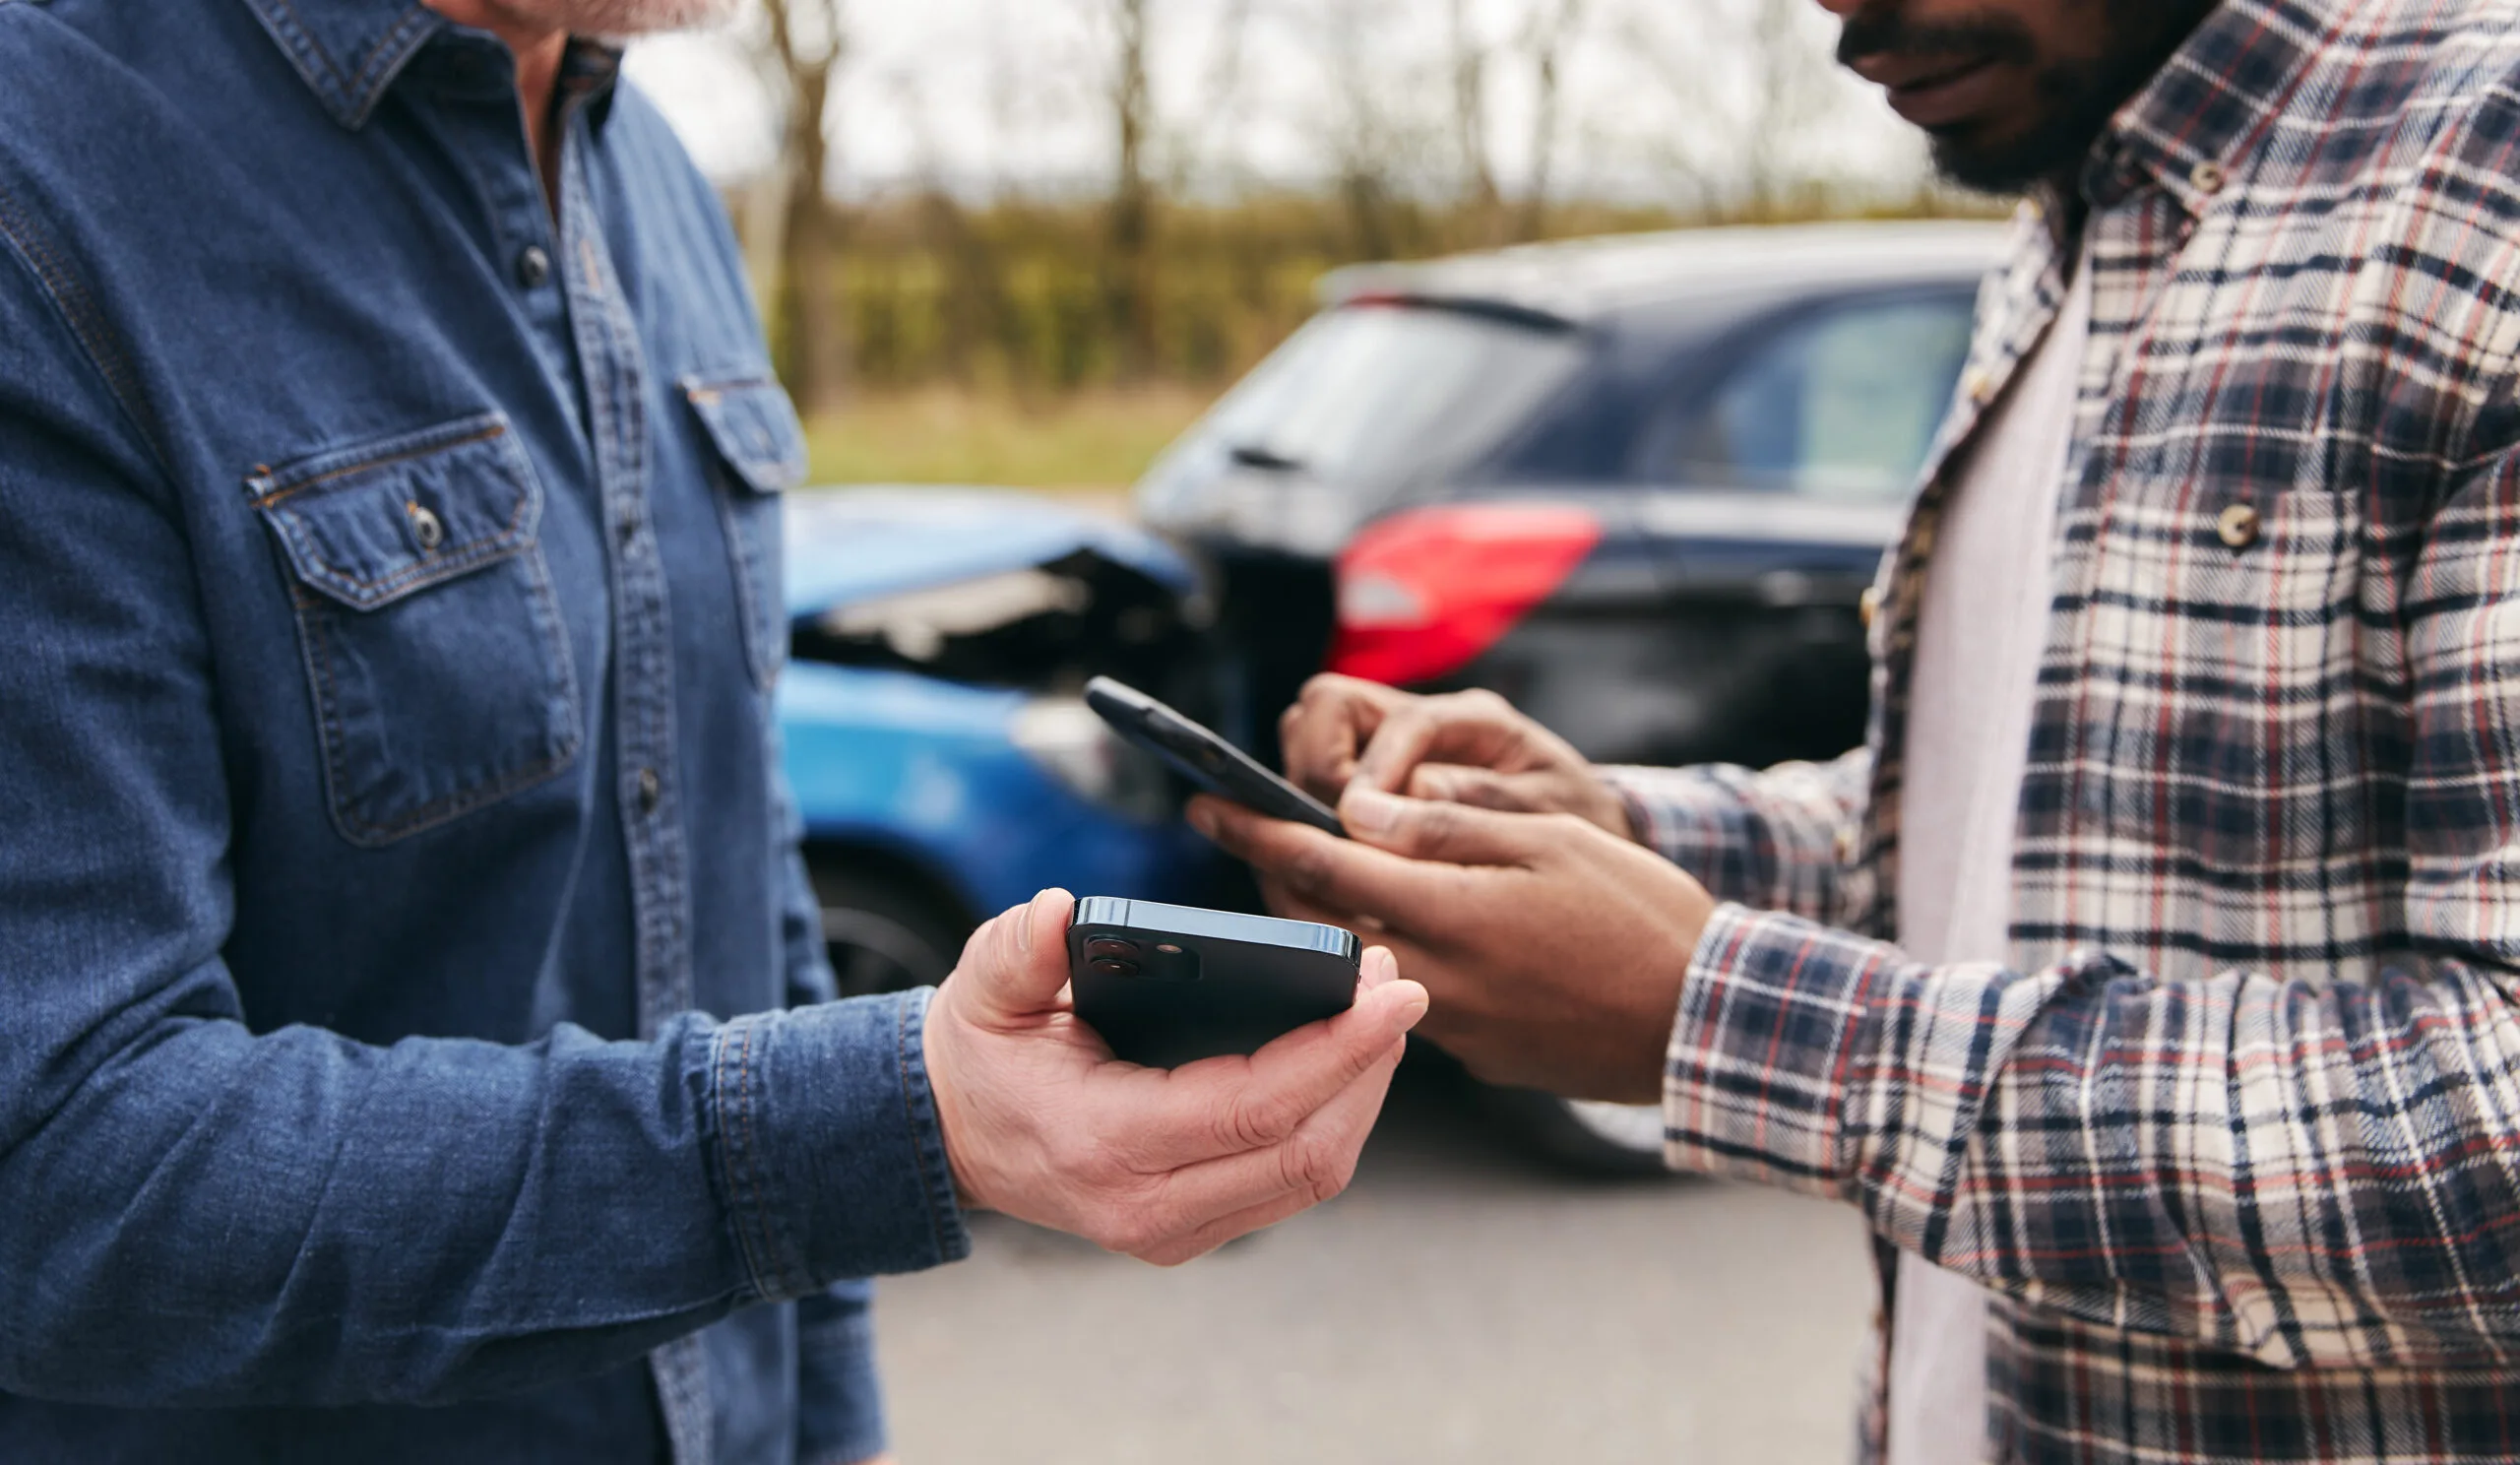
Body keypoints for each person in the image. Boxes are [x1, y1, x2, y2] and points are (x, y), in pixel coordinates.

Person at [0, 1, 1427, 1461]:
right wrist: (892, 1125)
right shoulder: (41, 174)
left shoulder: (658, 180)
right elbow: (56, 1165)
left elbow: (739, 883)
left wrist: (828, 1424)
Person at [1195, 0, 2520, 1461]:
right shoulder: (2073, 201)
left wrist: (1723, 1018)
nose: (1846, 20)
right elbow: (2003, 831)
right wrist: (1618, 835)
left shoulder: (2482, 181)